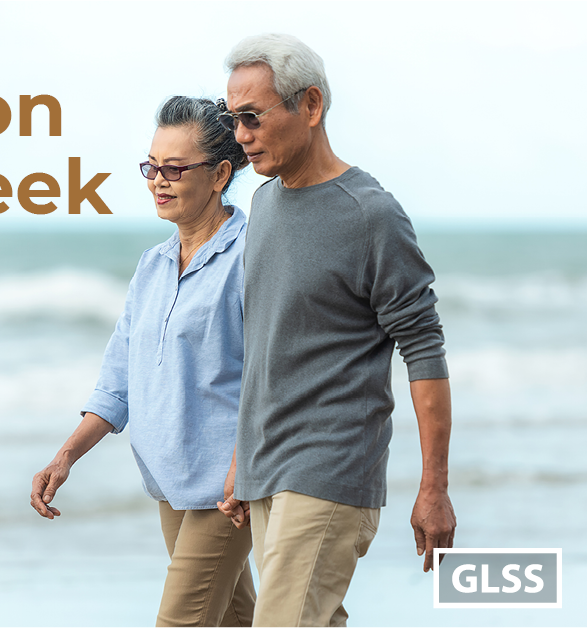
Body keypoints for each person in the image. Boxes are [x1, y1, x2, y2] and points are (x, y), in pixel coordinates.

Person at [213, 34, 457, 627]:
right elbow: (269, 341)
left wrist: (434, 488)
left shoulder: (370, 214)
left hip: (330, 470)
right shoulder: (265, 204)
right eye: (232, 119)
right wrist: (244, 457)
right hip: (270, 467)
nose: (240, 135)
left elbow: (422, 348)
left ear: (311, 106)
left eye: (252, 117)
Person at [30, 97, 255, 627]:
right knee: (233, 621)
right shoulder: (151, 267)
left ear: (220, 174)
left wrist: (242, 468)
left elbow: (271, 375)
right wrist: (65, 457)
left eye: (175, 168)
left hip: (226, 490)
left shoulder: (251, 257)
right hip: (169, 484)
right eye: (151, 167)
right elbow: (118, 382)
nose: (159, 179)